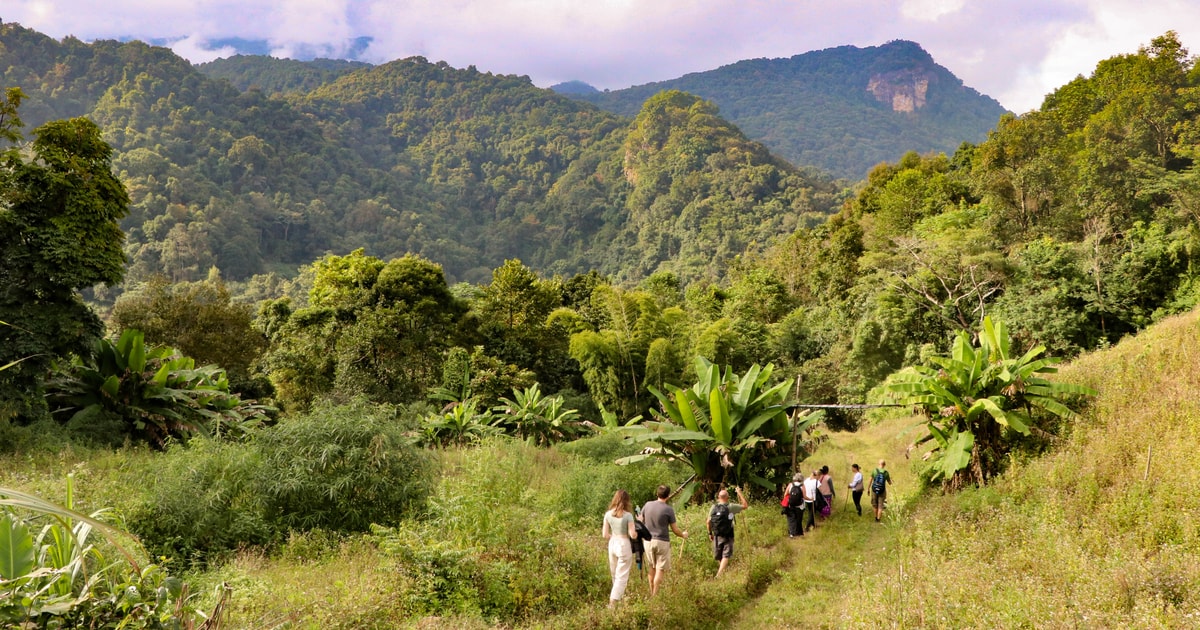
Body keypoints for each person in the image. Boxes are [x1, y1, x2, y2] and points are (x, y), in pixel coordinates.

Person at [640, 484, 689, 596]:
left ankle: (651, 592)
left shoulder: (647, 505)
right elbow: (675, 529)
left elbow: (640, 520)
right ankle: (655, 595)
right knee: (660, 569)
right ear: (667, 495)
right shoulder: (668, 509)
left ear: (657, 494)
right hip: (662, 541)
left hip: (648, 541)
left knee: (651, 567)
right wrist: (683, 535)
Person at [602, 489, 638, 607]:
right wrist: (639, 526)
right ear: (627, 501)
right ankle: (612, 602)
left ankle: (617, 599)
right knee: (621, 575)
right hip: (623, 544)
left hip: (612, 543)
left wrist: (613, 537)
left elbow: (605, 535)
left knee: (614, 573)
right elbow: (632, 534)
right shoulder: (628, 516)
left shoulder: (608, 514)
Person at [706, 486, 748, 577]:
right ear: (727, 498)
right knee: (726, 555)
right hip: (728, 534)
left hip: (717, 534)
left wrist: (710, 533)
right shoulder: (731, 507)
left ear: (718, 498)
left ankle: (722, 572)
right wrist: (739, 493)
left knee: (719, 555)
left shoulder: (713, 507)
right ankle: (719, 575)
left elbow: (708, 521)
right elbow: (745, 505)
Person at [782, 473, 806, 538]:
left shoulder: (790, 485)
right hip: (800, 506)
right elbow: (804, 497)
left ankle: (792, 534)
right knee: (798, 519)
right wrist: (811, 499)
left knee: (791, 519)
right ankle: (799, 533)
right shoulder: (802, 486)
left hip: (790, 505)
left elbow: (785, 494)